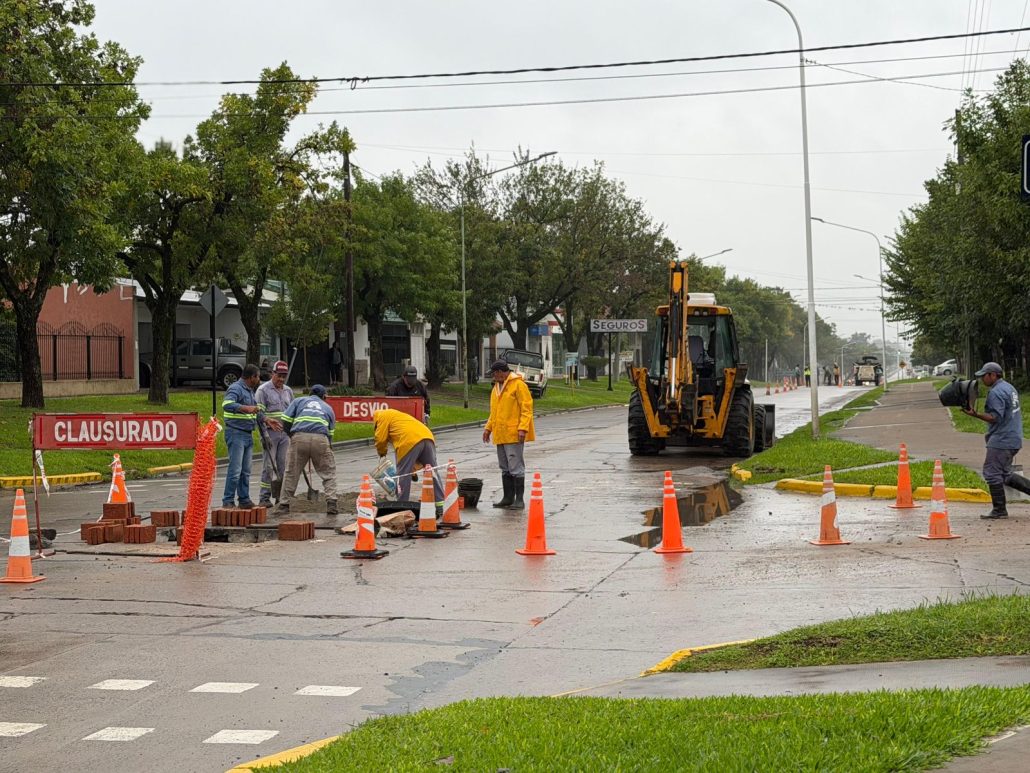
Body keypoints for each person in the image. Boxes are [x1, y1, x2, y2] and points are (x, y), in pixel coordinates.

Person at [962, 362, 1025, 519]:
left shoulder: (996, 392)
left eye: (984, 375)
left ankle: (999, 510)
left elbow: (995, 418)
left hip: (1002, 439)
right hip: (1013, 436)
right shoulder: (1009, 388)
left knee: (991, 472)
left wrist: (974, 414)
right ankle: (1000, 509)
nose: (982, 379)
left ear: (993, 375)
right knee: (1004, 474)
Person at [275, 384, 338, 517]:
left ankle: (284, 505)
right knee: (328, 472)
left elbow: (285, 420)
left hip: (299, 436)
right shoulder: (328, 408)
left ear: (310, 394)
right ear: (324, 397)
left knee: (291, 472)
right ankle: (332, 503)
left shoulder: (299, 401)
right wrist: (325, 449)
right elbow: (330, 434)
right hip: (321, 438)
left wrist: (291, 435)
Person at [482, 359, 535, 510]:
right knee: (504, 466)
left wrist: (522, 428)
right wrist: (488, 429)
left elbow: (526, 408)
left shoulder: (518, 385)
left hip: (513, 433)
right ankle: (507, 497)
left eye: (494, 374)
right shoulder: (496, 389)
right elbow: (494, 413)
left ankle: (519, 500)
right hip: (500, 434)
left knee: (515, 465)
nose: (493, 377)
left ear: (500, 372)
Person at [373, 408, 445, 513]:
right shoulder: (399, 416)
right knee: (433, 471)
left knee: (403, 475)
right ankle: (440, 504)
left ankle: (401, 506)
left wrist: (382, 453)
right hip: (427, 436)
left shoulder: (382, 417)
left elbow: (380, 439)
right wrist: (413, 470)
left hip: (408, 441)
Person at [221, 364, 263, 509]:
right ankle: (228, 500)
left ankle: (244, 499)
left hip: (247, 434)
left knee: (245, 470)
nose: (259, 379)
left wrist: (266, 420)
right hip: (236, 433)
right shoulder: (235, 388)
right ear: (252, 377)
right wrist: (246, 408)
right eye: (258, 377)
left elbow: (256, 410)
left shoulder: (250, 391)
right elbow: (227, 404)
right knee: (235, 470)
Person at [255, 360, 293, 506]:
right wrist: (264, 435)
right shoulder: (263, 390)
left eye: (284, 376)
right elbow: (259, 414)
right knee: (268, 466)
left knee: (283, 466)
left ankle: (280, 497)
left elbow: (291, 413)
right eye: (279, 376)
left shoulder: (288, 391)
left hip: (284, 435)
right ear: (273, 373)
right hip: (270, 434)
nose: (281, 379)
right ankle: (264, 498)